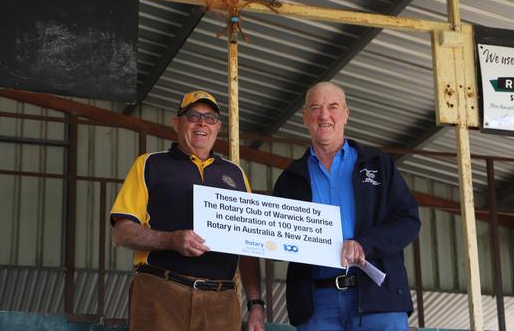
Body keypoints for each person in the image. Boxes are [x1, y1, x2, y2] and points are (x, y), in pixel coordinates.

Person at [110, 90, 265, 331]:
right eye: (193, 115)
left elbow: (247, 246)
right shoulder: (150, 164)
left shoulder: (236, 175)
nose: (202, 122)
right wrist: (172, 239)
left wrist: (256, 303)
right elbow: (122, 233)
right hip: (161, 294)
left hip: (221, 301)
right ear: (176, 123)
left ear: (218, 127)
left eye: (210, 118)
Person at [272, 82, 420, 331]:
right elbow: (275, 234)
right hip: (318, 304)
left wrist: (365, 243)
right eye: (316, 108)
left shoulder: (378, 164)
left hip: (379, 300)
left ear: (346, 114)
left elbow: (409, 220)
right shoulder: (290, 178)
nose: (324, 115)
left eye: (333, 107)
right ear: (305, 117)